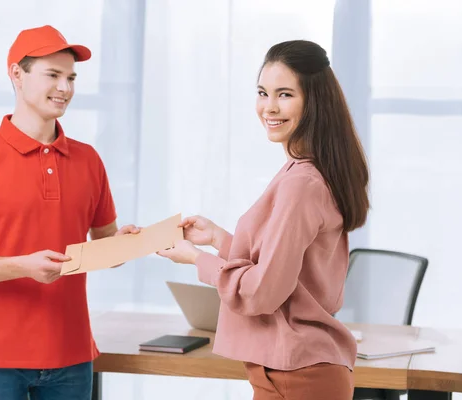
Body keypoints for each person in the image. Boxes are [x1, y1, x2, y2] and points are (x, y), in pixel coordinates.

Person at [158, 40, 369, 400]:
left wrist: (197, 259)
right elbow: (285, 266)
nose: (269, 107)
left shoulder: (301, 183)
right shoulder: (306, 172)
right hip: (292, 372)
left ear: (313, 101)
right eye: (262, 92)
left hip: (298, 375)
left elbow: (262, 292)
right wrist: (218, 239)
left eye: (284, 94)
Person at [0, 25, 138, 400]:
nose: (66, 88)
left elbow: (105, 246)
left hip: (73, 358)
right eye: (53, 75)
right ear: (16, 74)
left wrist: (126, 245)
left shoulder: (89, 160)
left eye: (71, 78)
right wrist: (22, 265)